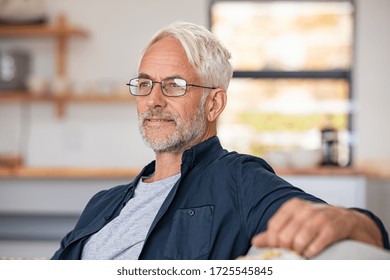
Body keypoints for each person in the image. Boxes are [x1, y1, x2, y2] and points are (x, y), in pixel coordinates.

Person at [52, 21, 389, 260]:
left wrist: (351, 221)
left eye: (174, 85)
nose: (153, 100)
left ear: (213, 104)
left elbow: (344, 228)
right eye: (144, 84)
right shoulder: (102, 204)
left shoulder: (239, 180)